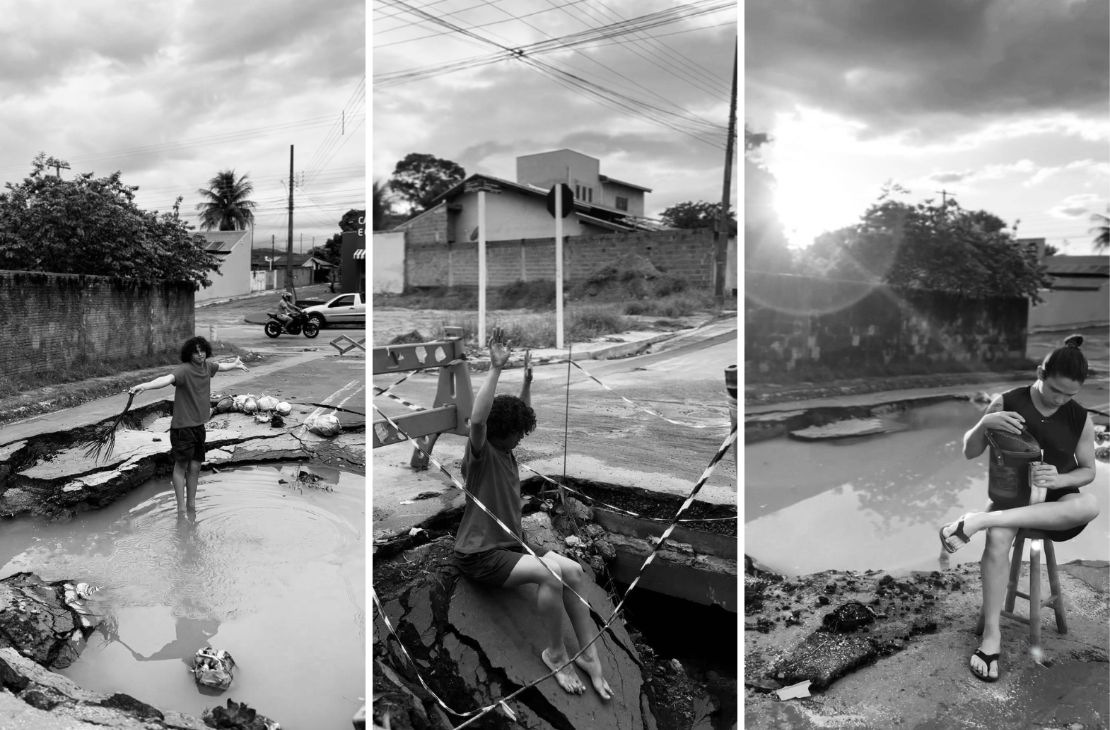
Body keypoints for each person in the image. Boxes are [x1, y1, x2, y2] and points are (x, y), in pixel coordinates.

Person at [452, 328, 613, 700]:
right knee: (551, 575)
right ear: (500, 434)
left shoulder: (505, 450)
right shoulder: (481, 455)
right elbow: (479, 421)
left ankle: (589, 657)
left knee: (572, 570)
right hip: (479, 555)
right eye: (517, 435)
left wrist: (526, 383)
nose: (521, 440)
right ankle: (555, 654)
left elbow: (514, 418)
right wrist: (494, 369)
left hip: (512, 546)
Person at [939, 335, 1099, 682]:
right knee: (997, 541)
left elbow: (1088, 471)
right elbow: (969, 451)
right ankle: (991, 636)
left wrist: (1058, 479)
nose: (1060, 400)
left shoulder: (1078, 417)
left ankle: (977, 520)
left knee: (1091, 504)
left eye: (1069, 395)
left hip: (1056, 504)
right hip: (1010, 498)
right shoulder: (1007, 401)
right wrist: (983, 424)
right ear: (1040, 373)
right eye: (1054, 390)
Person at [129, 337, 248, 517]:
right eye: (196, 351)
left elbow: (220, 367)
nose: (200, 354)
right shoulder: (184, 370)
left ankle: (191, 506)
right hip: (182, 427)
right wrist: (145, 386)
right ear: (189, 354)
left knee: (195, 468)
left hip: (199, 426)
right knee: (181, 466)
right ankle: (181, 509)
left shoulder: (207, 367)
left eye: (202, 350)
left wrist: (235, 364)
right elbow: (166, 379)